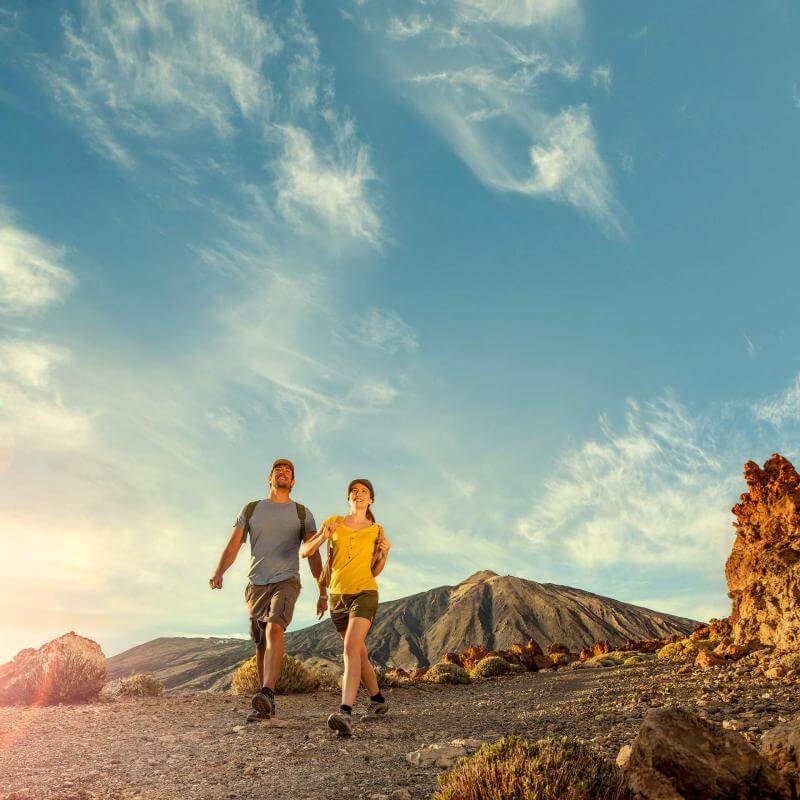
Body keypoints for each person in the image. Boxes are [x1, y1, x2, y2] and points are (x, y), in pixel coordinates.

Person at [210, 458, 326, 722]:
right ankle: (263, 706)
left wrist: (322, 589)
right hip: (256, 583)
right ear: (270, 478)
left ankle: (267, 692)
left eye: (288, 470)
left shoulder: (302, 513)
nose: (282, 472)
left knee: (275, 627)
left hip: (286, 580)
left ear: (293, 481)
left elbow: (312, 553)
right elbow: (233, 545)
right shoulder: (251, 509)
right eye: (277, 470)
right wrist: (219, 572)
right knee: (261, 641)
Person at [300, 477, 391, 736]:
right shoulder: (333, 522)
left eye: (364, 491)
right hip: (337, 597)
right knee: (359, 653)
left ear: (371, 499)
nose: (358, 494)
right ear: (348, 498)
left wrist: (385, 554)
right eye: (354, 491)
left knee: (350, 647)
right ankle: (377, 700)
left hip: (364, 593)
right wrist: (322, 538)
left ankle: (345, 712)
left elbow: (375, 570)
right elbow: (305, 551)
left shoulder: (377, 530)